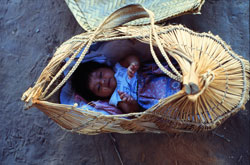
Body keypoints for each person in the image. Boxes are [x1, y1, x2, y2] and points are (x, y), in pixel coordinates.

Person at [71, 55, 142, 114]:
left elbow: (131, 57)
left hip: (148, 74)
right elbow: (133, 112)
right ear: (99, 97)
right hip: (147, 97)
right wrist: (131, 102)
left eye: (101, 75)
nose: (103, 82)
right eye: (98, 87)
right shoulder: (116, 98)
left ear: (105, 67)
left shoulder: (118, 68)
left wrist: (133, 64)